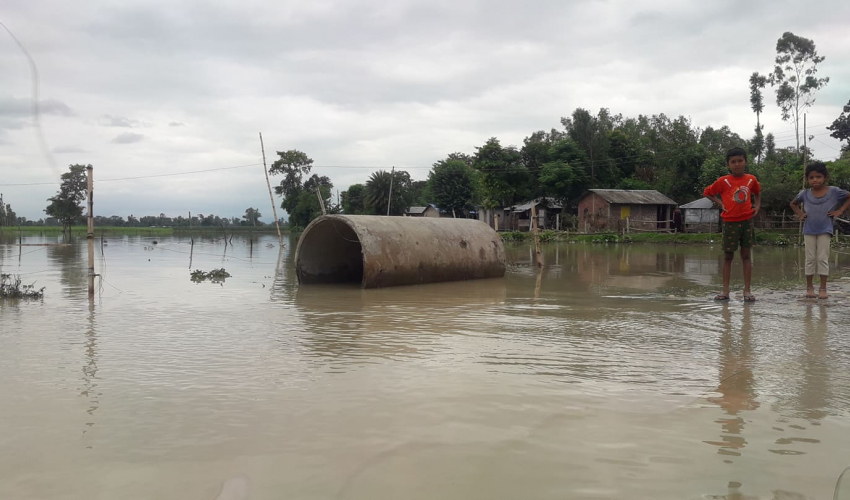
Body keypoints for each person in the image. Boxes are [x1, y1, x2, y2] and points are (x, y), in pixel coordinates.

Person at [703, 147, 761, 302]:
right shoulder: (723, 181)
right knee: (728, 256)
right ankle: (725, 291)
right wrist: (720, 202)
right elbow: (707, 192)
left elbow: (757, 192)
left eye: (740, 161)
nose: (737, 164)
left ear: (746, 162)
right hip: (729, 222)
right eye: (733, 162)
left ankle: (747, 291)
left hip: (747, 221)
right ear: (728, 164)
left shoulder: (751, 179)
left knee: (746, 256)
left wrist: (757, 206)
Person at [789, 162, 850, 299]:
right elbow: (793, 203)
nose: (815, 180)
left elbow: (848, 197)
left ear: (825, 177)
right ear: (807, 179)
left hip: (825, 229)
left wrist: (840, 210)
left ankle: (823, 288)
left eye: (818, 176)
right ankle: (809, 288)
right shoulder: (805, 193)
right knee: (810, 259)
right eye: (811, 177)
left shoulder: (834, 191)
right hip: (809, 229)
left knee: (822, 258)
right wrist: (800, 214)